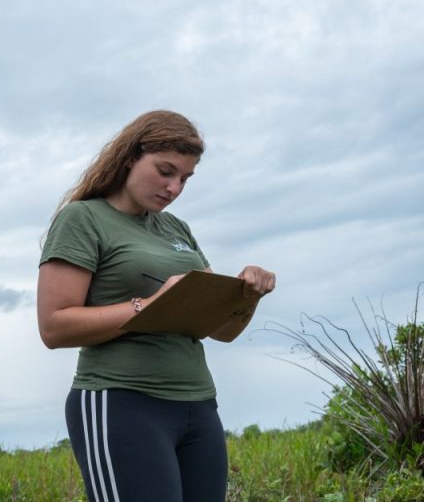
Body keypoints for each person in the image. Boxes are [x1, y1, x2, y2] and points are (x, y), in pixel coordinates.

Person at [36, 110, 275, 502]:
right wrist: (150, 304)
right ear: (130, 156)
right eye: (166, 171)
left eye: (185, 178)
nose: (174, 187)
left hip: (198, 406)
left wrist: (247, 297)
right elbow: (54, 327)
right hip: (121, 403)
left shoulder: (177, 229)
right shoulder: (83, 219)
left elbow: (222, 330)